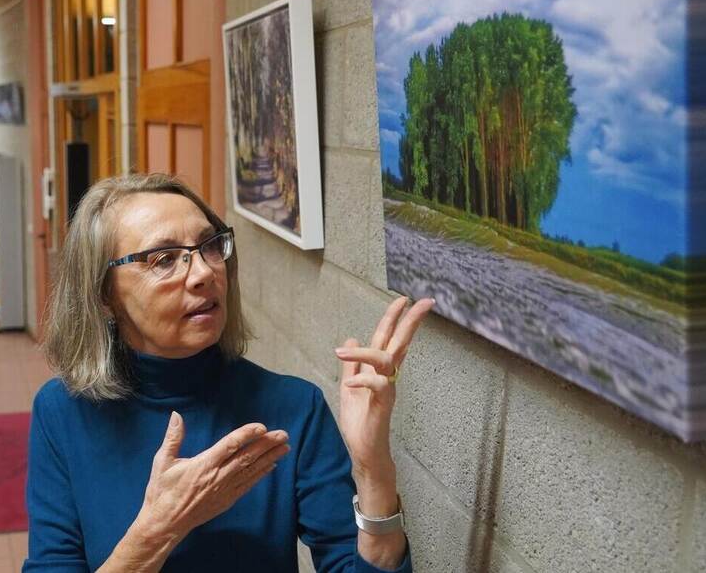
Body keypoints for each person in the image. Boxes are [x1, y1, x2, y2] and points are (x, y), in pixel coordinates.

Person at [25, 174, 434, 572]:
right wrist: (157, 530)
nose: (205, 272)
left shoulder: (293, 407)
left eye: (209, 246)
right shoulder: (62, 412)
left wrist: (373, 470)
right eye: (164, 259)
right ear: (104, 296)